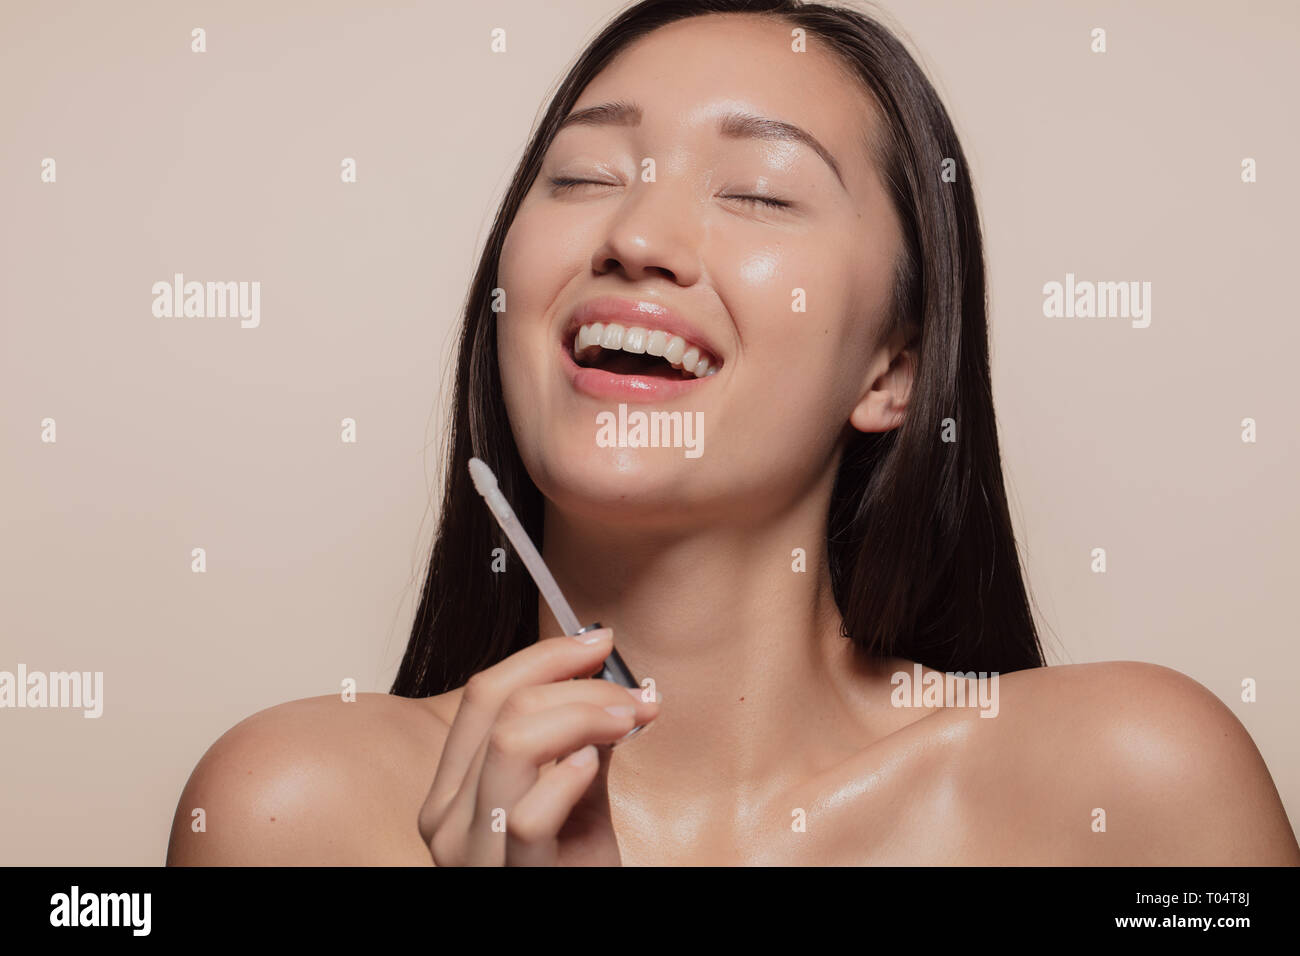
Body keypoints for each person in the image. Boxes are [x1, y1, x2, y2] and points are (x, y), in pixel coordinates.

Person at [167, 0, 1300, 866]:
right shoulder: (295, 809)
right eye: (583, 176)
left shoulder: (1138, 785)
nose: (637, 234)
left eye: (756, 191)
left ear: (894, 365)